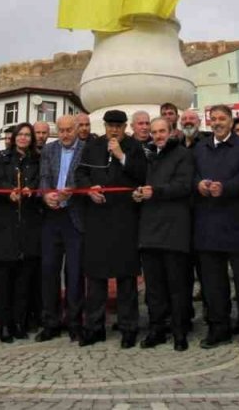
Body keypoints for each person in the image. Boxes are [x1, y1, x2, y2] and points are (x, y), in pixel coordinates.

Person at [75, 110, 147, 347]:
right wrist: (89, 189)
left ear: (125, 126)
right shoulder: (93, 146)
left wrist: (121, 155)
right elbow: (81, 173)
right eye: (110, 126)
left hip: (125, 218)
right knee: (96, 278)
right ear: (104, 126)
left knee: (126, 278)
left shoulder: (134, 147)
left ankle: (128, 327)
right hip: (97, 218)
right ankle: (94, 327)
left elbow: (141, 175)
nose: (114, 130)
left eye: (118, 126)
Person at [194, 104, 239, 351]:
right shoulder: (201, 147)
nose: (218, 122)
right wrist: (199, 184)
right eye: (214, 119)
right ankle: (218, 329)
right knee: (213, 285)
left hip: (237, 224)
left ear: (232, 121)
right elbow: (192, 174)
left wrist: (226, 188)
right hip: (208, 224)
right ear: (209, 122)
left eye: (223, 118)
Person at [134, 116, 194, 351]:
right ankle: (156, 329)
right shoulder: (148, 156)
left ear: (171, 132)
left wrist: (155, 191)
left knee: (177, 286)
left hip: (174, 230)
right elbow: (142, 185)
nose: (158, 135)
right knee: (155, 287)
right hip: (150, 230)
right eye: (154, 131)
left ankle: (180, 332)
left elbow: (184, 186)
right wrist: (139, 194)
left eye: (162, 131)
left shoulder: (183, 155)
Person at [0, 123, 41, 342]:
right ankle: (5, 325)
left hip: (27, 226)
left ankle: (20, 322)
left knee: (23, 282)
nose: (24, 138)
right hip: (4, 226)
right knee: (3, 283)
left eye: (28, 135)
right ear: (14, 137)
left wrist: (32, 189)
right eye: (21, 134)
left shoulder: (37, 160)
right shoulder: (0, 159)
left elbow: (39, 181)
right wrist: (8, 192)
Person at [37, 114, 86, 342]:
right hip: (52, 216)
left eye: (69, 129)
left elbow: (87, 178)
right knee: (49, 270)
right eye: (62, 130)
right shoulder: (49, 150)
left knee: (74, 272)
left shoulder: (86, 149)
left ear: (77, 129)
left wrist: (72, 190)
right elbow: (43, 177)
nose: (65, 134)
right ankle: (51, 322)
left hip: (75, 216)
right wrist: (46, 196)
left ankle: (75, 322)